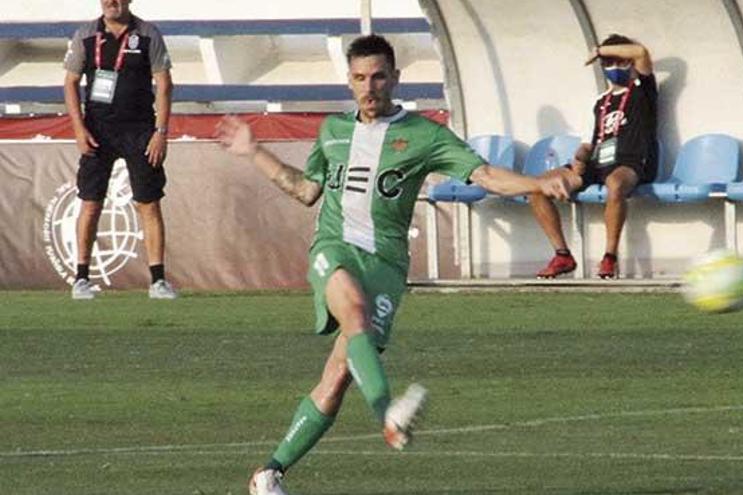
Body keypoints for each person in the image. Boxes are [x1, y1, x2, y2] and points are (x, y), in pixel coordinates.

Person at [215, 34, 571, 495]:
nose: (370, 87)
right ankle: (387, 415)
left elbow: (483, 175)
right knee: (354, 311)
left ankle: (268, 474)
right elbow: (306, 191)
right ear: (349, 80)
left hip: (385, 264)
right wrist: (254, 151)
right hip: (334, 248)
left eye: (379, 76)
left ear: (395, 79)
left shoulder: (425, 135)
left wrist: (537, 182)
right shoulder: (333, 131)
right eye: (360, 77)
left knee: (337, 378)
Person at [63, 0, 176, 299]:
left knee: (149, 203)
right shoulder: (85, 35)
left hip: (140, 130)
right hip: (97, 130)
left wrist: (160, 132)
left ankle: (157, 281)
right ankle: (81, 279)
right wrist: (78, 128)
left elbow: (164, 84)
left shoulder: (149, 34)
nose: (111, 2)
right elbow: (71, 82)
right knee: (90, 202)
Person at [529, 34, 658, 279]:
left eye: (620, 61)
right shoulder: (601, 102)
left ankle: (609, 257)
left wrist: (599, 50)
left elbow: (641, 52)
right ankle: (562, 255)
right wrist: (579, 157)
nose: (615, 68)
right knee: (537, 187)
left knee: (615, 184)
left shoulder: (642, 91)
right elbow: (589, 143)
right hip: (597, 163)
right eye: (609, 63)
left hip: (629, 161)